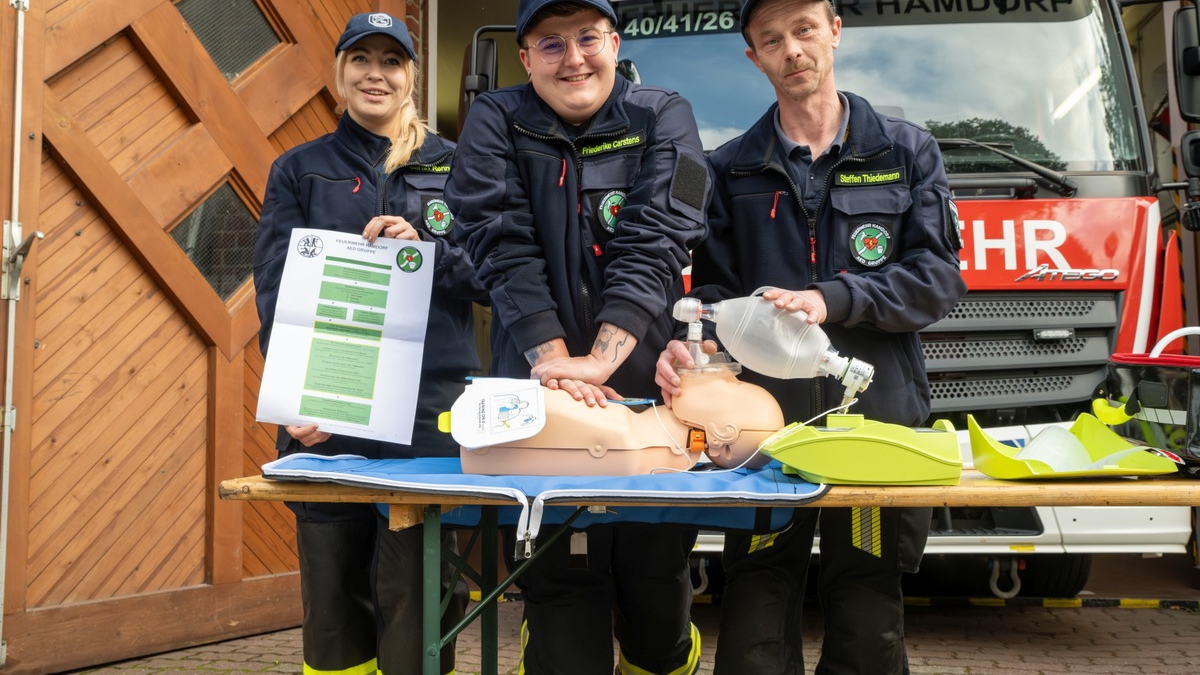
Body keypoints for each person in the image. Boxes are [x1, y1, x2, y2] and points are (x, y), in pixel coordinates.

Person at [655, 0, 968, 673]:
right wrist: (699, 339)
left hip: (875, 430)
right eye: (771, 39)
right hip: (767, 433)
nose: (791, 49)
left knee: (867, 602)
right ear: (754, 57)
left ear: (833, 30)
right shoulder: (730, 168)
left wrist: (834, 298)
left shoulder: (906, 151)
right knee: (757, 598)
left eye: (803, 30)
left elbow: (938, 280)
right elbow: (712, 296)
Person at [444, 0, 712, 672]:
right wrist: (559, 363)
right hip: (540, 406)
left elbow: (662, 235)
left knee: (657, 612)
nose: (574, 58)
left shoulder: (664, 114)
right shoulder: (494, 120)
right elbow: (496, 239)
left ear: (614, 43)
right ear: (526, 58)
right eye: (551, 44)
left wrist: (603, 357)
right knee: (563, 612)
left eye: (587, 38)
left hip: (649, 408)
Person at [252, 12, 485, 675]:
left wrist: (428, 252)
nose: (375, 73)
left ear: (412, 75)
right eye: (362, 59)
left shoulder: (456, 165)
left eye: (392, 60)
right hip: (330, 414)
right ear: (341, 73)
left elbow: (493, 275)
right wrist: (296, 401)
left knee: (418, 598)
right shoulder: (299, 169)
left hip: (428, 414)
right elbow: (275, 292)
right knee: (334, 608)